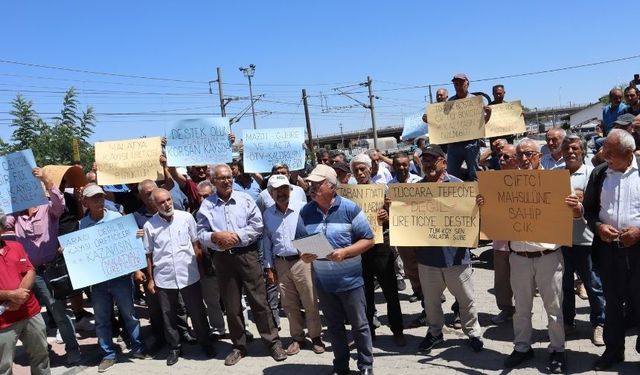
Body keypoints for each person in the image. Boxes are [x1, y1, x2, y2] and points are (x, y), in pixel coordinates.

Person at [479, 139, 572, 373]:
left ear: (539, 156)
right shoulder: (506, 185)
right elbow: (495, 215)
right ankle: (522, 347)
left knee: (553, 307)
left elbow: (571, 214)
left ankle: (557, 349)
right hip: (518, 256)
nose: (524, 159)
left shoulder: (556, 182)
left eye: (529, 154)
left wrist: (576, 208)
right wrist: (483, 204)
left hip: (548, 255)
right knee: (521, 307)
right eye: (520, 155)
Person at [196, 164, 286, 366]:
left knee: (259, 300)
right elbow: (200, 232)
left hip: (247, 255)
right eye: (221, 178)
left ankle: (272, 342)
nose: (226, 181)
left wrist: (235, 237)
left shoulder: (245, 200)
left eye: (229, 177)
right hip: (222, 259)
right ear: (214, 181)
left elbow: (257, 226)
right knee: (231, 304)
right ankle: (239, 345)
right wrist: (215, 236)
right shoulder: (207, 205)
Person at [296, 164, 375, 375]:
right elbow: (301, 244)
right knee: (334, 327)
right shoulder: (305, 211)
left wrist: (346, 252)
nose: (311, 187)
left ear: (331, 186)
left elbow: (369, 239)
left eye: (317, 184)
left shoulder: (350, 208)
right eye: (310, 184)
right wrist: (304, 255)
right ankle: (341, 364)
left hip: (351, 283)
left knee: (360, 326)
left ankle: (366, 365)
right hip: (324, 283)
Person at [5, 167, 81, 365]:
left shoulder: (48, 208)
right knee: (34, 314)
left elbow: (60, 203)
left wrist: (46, 180)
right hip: (28, 273)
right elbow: (3, 222)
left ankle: (73, 349)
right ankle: (41, 350)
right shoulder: (16, 215)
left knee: (58, 312)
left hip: (50, 270)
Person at [414, 145, 484, 354]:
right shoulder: (416, 189)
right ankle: (435, 333)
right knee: (431, 302)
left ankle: (472, 332)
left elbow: (471, 216)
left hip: (456, 258)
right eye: (425, 160)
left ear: (443, 162)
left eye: (432, 160)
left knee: (466, 299)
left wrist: (478, 204)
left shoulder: (458, 185)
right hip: (428, 259)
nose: (428, 164)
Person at [584, 129, 640, 370]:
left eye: (611, 153)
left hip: (638, 251)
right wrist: (598, 227)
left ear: (628, 153)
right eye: (604, 151)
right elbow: (589, 211)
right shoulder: (599, 174)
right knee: (613, 304)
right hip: (608, 251)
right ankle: (614, 350)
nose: (604, 157)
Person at [79, 184, 147, 372]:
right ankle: (108, 354)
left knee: (129, 314)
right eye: (94, 198)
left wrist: (136, 236)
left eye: (100, 196)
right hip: (98, 281)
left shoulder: (117, 218)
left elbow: (129, 245)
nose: (99, 200)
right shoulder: (82, 224)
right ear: (85, 202)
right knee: (101, 319)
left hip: (120, 277)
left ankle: (138, 347)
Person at [143, 188, 216, 366]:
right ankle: (175, 347)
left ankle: (205, 343)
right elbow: (149, 254)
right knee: (168, 316)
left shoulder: (186, 218)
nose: (167, 204)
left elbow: (196, 245)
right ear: (154, 204)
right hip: (164, 278)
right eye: (162, 202)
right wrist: (151, 279)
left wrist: (200, 270)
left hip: (189, 274)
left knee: (198, 312)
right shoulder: (149, 226)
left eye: (168, 199)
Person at [262, 175, 325, 355]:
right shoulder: (267, 214)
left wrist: (315, 256)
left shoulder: (303, 208)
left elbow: (314, 231)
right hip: (280, 263)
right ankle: (297, 338)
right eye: (277, 190)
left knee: (310, 300)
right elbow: (267, 242)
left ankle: (315, 337)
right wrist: (268, 267)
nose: (281, 193)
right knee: (289, 305)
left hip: (302, 261)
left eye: (284, 188)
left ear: (290, 190)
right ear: (271, 193)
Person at [350, 153, 405, 346]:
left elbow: (397, 218)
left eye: (362, 168)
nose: (359, 172)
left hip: (381, 245)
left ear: (370, 169)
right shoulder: (349, 195)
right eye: (356, 169)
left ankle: (397, 330)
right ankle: (369, 332)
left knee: (390, 290)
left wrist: (387, 214)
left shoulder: (383, 191)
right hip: (358, 249)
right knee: (365, 294)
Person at [556, 135, 605, 347]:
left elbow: (593, 205)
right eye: (566, 149)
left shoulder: (591, 174)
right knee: (564, 286)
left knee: (593, 285)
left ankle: (599, 323)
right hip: (560, 240)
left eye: (575, 148)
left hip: (585, 240)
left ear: (583, 151)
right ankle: (568, 322)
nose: (570, 152)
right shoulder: (554, 175)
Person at [0, 209, 50, 375]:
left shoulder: (16, 246)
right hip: (3, 322)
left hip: (30, 312)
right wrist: (11, 296)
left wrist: (18, 296)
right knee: (3, 367)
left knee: (41, 356)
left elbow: (30, 270)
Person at [424, 73, 492, 182]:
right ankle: (455, 197)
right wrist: (429, 121)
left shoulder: (475, 100)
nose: (458, 85)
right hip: (454, 145)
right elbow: (442, 125)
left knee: (474, 173)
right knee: (451, 174)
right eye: (456, 83)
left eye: (461, 83)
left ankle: (476, 196)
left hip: (471, 144)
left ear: (467, 84)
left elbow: (482, 124)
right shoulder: (449, 102)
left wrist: (488, 114)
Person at [489, 144, 518, 325]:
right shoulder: (492, 181)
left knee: (522, 281)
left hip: (523, 241)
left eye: (506, 157)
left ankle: (523, 311)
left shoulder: (529, 180)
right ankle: (506, 309)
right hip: (500, 240)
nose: (501, 159)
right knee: (501, 280)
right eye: (500, 156)